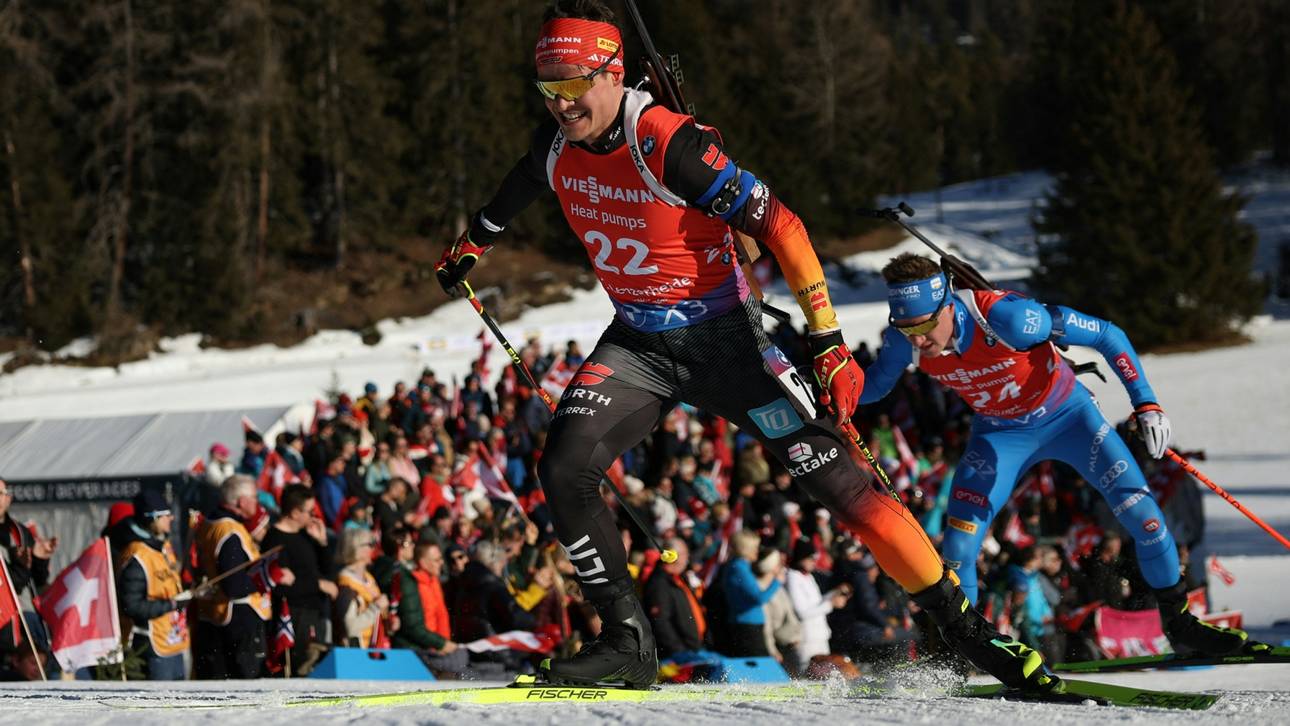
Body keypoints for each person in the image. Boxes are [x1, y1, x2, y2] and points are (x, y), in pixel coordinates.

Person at [433, 0, 1049, 692]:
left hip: (730, 345)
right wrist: (474, 241)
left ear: (614, 72)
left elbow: (783, 226)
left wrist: (829, 341)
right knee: (564, 466)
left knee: (842, 488)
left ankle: (969, 634)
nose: (560, 103)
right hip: (638, 343)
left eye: (574, 83)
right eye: (547, 86)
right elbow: (520, 182)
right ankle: (626, 643)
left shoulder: (666, 143)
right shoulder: (555, 145)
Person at [860, 252, 1258, 657]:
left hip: (1070, 420)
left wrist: (1146, 404)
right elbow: (872, 387)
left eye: (924, 325)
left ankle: (1181, 625)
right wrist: (827, 389)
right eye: (905, 328)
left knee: (1147, 520)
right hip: (1000, 435)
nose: (917, 339)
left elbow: (1108, 335)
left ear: (947, 304)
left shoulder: (1008, 318)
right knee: (958, 547)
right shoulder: (903, 342)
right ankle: (964, 653)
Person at [192, 475, 294, 679]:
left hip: (216, 615)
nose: (257, 502)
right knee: (247, 683)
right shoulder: (229, 530)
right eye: (255, 497)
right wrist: (270, 577)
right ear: (242, 501)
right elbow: (234, 585)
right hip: (239, 619)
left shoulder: (210, 522)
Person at [260, 484, 336, 675]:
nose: (314, 516)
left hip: (314, 611)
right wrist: (318, 585)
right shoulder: (274, 540)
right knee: (300, 670)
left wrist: (322, 543)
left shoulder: (305, 534)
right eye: (310, 511)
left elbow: (327, 571)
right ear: (295, 513)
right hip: (293, 616)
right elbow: (280, 588)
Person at [116, 490, 192, 680]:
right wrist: (172, 604)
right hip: (151, 644)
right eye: (165, 514)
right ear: (152, 518)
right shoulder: (137, 555)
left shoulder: (163, 547)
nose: (171, 518)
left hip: (173, 640)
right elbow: (132, 606)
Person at [392, 541, 467, 674]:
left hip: (436, 648)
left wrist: (444, 644)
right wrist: (440, 644)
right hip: (420, 651)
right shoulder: (413, 584)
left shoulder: (434, 581)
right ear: (423, 563)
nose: (441, 563)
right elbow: (413, 625)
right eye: (436, 560)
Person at [785, 538, 849, 674]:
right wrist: (831, 603)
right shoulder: (792, 577)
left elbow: (818, 603)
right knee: (806, 678)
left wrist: (834, 593)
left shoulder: (808, 576)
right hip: (806, 640)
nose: (814, 561)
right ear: (801, 557)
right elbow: (802, 613)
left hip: (820, 637)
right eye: (811, 558)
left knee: (825, 677)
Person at [641, 537, 705, 659]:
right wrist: (680, 651)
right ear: (672, 556)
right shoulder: (659, 583)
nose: (687, 558)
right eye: (685, 554)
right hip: (679, 656)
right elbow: (661, 622)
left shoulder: (678, 578)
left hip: (694, 650)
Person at [334, 529, 387, 648]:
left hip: (374, 649)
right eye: (371, 544)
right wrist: (376, 607)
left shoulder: (369, 579)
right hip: (356, 651)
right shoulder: (345, 584)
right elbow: (351, 628)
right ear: (355, 549)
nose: (374, 549)